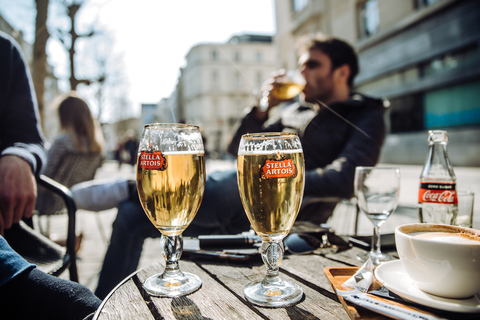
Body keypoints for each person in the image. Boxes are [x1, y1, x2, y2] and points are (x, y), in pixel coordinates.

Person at [94, 35, 387, 299]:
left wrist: (280, 185)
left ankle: (131, 189)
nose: (303, 73)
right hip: (242, 201)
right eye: (302, 66)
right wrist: (262, 109)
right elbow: (238, 148)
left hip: (287, 215)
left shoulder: (366, 115)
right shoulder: (292, 110)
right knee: (130, 217)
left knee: (225, 185)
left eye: (313, 65)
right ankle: (99, 306)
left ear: (342, 72)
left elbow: (347, 177)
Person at [0, 31, 101, 319]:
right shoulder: (93, 146)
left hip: (35, 200)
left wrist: (20, 155)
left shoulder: (62, 143)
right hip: (64, 199)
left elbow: (37, 154)